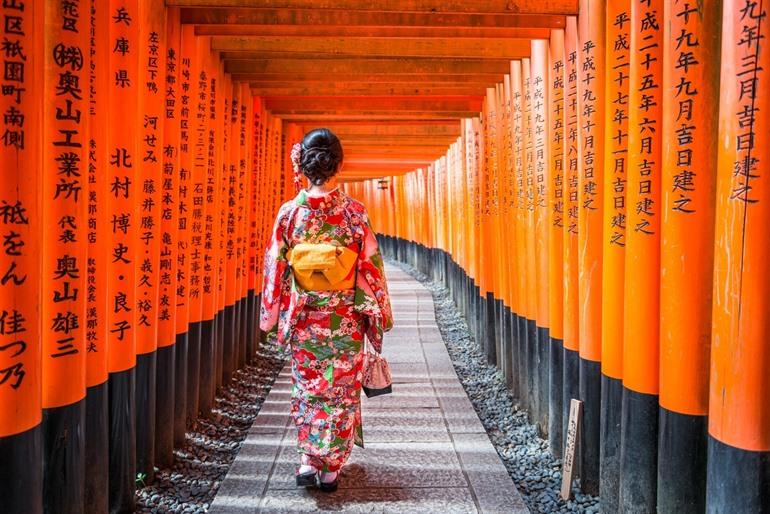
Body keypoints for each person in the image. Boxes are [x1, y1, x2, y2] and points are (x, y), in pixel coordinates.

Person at [259, 128, 393, 492]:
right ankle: (331, 468)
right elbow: (370, 266)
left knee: (309, 387)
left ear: (302, 164)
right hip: (344, 318)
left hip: (305, 319)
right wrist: (379, 312)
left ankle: (307, 459)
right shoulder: (354, 213)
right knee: (341, 390)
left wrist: (270, 315)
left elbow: (276, 266)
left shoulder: (289, 214)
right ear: (339, 164)